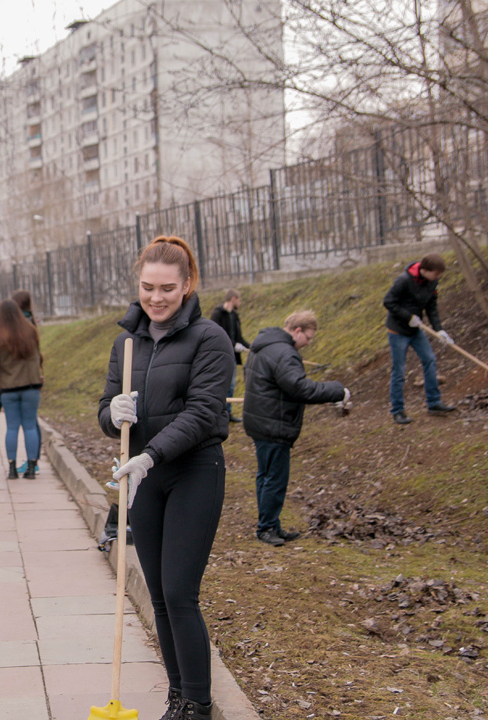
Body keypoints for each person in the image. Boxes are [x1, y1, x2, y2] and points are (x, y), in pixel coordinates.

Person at [98, 236, 234, 720]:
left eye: (167, 289)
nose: (156, 298)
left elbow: (201, 413)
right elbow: (105, 408)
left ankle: (198, 704)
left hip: (192, 472)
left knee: (179, 592)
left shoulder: (210, 340)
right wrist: (111, 414)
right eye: (147, 287)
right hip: (143, 478)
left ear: (188, 286)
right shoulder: (126, 343)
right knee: (157, 595)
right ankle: (176, 699)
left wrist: (152, 454)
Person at [243, 310, 349, 547]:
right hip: (274, 424)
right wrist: (337, 391)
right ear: (297, 330)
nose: (308, 343)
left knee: (266, 475)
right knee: (275, 479)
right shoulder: (285, 353)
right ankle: (267, 528)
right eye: (308, 338)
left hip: (260, 421)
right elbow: (300, 388)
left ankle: (271, 523)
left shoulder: (264, 346)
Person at [383, 253, 456, 424]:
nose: (438, 277)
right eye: (436, 274)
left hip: (416, 331)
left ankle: (434, 402)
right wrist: (408, 317)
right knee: (399, 371)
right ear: (424, 270)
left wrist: (439, 330)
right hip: (398, 331)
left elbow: (432, 307)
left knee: (430, 360)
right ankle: (398, 410)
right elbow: (388, 302)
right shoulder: (404, 280)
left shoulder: (432, 282)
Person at [0, 300, 44, 479]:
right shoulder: (30, 331)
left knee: (11, 428)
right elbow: (38, 357)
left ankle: (12, 469)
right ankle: (31, 467)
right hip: (31, 386)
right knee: (30, 426)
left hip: (8, 388)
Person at [209, 288, 250, 423]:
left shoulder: (235, 316)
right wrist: (233, 344)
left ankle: (228, 413)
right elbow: (216, 335)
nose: (240, 302)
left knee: (231, 386)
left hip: (233, 355)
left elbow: (239, 337)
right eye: (239, 299)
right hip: (220, 355)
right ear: (233, 299)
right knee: (221, 385)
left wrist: (251, 347)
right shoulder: (217, 314)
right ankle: (218, 414)